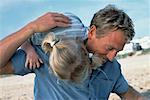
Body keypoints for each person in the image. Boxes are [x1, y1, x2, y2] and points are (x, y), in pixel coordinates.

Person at [0, 5, 146, 100]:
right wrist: (30, 28)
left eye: (118, 51)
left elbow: (129, 93)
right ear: (93, 32)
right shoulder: (52, 51)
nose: (112, 57)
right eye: (109, 48)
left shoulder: (111, 67)